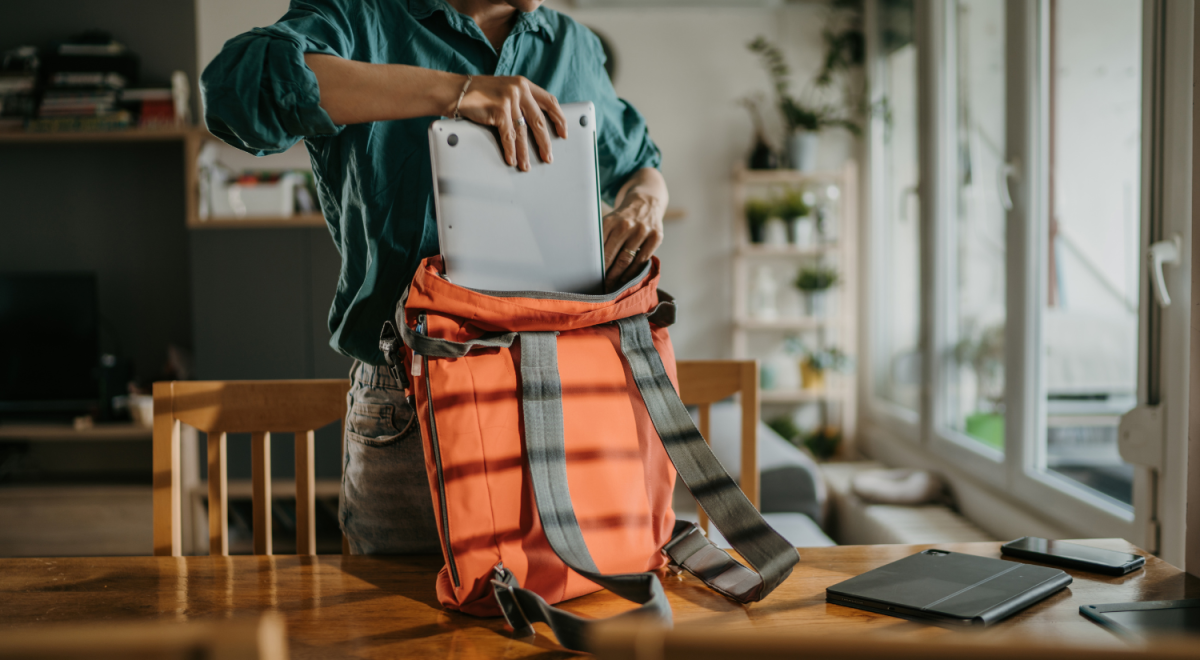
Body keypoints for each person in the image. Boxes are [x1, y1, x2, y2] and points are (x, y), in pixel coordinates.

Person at [201, 0, 669, 553]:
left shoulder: (573, 44)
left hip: (561, 394)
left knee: (561, 623)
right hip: (409, 402)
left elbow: (638, 163)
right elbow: (236, 91)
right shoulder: (358, 17)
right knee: (395, 627)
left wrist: (644, 202)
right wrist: (456, 92)